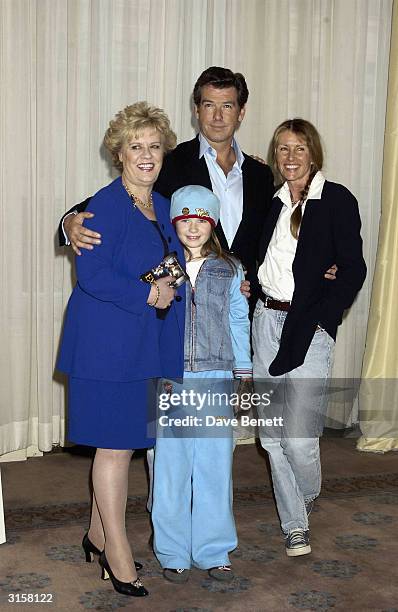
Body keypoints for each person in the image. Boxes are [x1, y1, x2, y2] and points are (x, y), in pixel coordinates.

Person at [56, 102, 186, 597]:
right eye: (137, 146)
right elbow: (91, 276)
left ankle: (95, 533)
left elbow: (171, 263)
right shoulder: (103, 205)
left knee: (124, 443)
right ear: (119, 153)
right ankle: (117, 552)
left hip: (141, 343)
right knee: (113, 449)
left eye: (154, 146)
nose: (147, 155)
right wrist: (149, 293)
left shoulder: (166, 204)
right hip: (106, 344)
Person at [59, 66, 275, 309]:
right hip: (187, 310)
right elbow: (122, 197)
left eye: (226, 106)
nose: (217, 116)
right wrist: (70, 220)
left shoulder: (261, 175)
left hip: (242, 311)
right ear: (196, 110)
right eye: (208, 105)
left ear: (241, 112)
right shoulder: (168, 161)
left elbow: (275, 239)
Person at [252, 119, 366, 557]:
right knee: (272, 438)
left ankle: (307, 496)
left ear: (313, 154)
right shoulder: (273, 201)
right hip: (266, 322)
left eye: (299, 148)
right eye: (283, 149)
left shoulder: (335, 199)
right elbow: (258, 254)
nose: (291, 156)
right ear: (276, 157)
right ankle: (295, 524)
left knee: (298, 439)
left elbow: (353, 268)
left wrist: (322, 314)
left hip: (309, 329)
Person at [151, 185, 252, 583]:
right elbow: (151, 323)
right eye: (185, 220)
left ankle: (214, 549)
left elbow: (238, 320)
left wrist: (243, 372)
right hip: (172, 379)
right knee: (170, 468)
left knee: (213, 465)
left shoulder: (231, 270)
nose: (193, 227)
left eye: (202, 220)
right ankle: (172, 550)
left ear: (213, 223)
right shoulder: (162, 267)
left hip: (215, 377)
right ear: (174, 222)